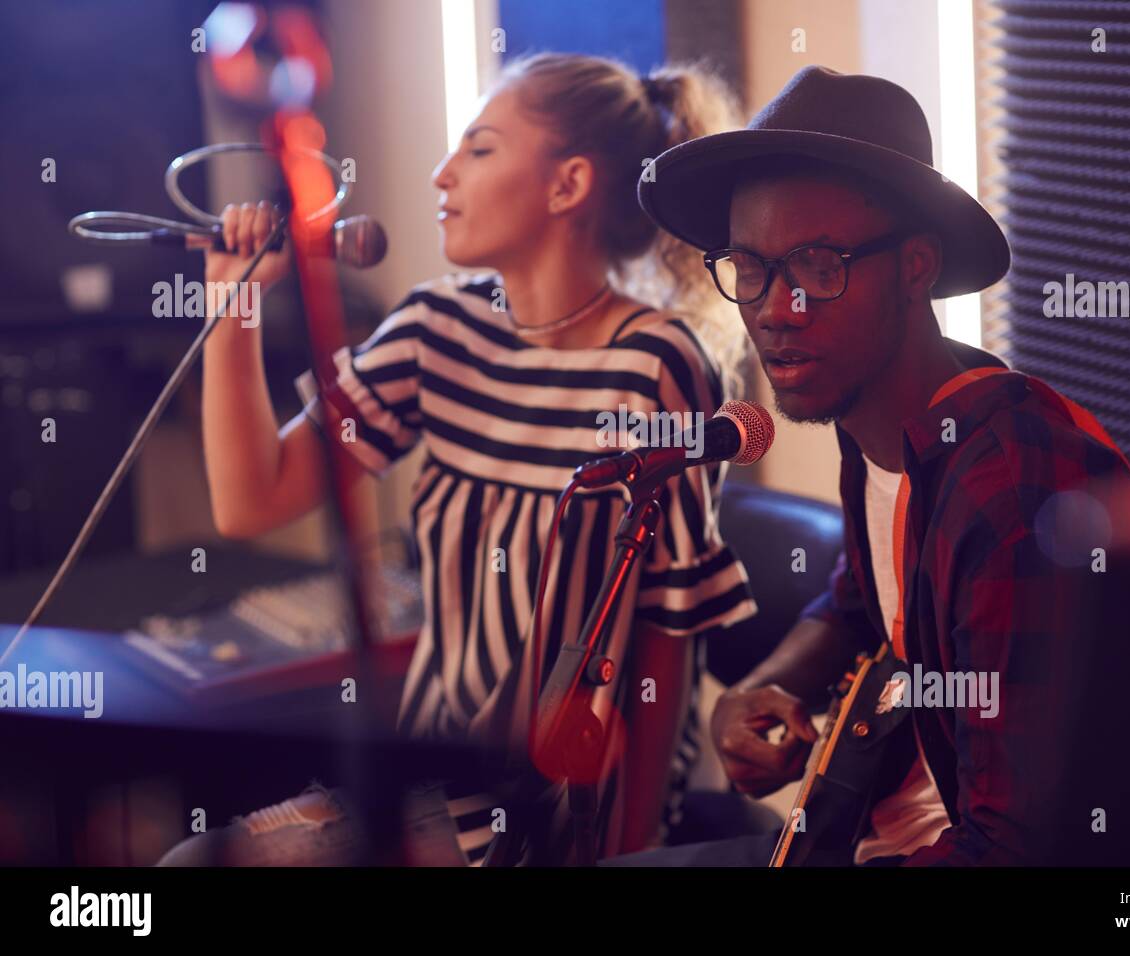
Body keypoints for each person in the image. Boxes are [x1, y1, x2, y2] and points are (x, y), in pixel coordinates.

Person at [160, 53, 756, 866]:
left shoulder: (655, 366)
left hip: (556, 808)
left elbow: (667, 638)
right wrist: (234, 301)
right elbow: (251, 499)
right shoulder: (437, 328)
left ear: (566, 185)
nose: (442, 175)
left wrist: (631, 851)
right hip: (423, 772)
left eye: (479, 149)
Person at [611, 66, 1130, 866]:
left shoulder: (1013, 493)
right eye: (749, 266)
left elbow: (1015, 851)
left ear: (915, 267)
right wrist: (770, 685)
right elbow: (864, 601)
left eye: (818, 265)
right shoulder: (879, 422)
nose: (773, 308)